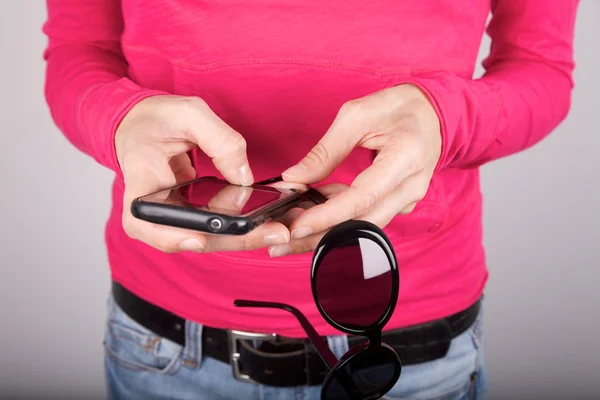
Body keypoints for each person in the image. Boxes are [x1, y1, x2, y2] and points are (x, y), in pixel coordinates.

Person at [42, 0, 579, 399]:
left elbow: (541, 66)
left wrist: (447, 118)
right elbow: (79, 51)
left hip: (407, 350)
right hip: (166, 347)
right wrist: (116, 119)